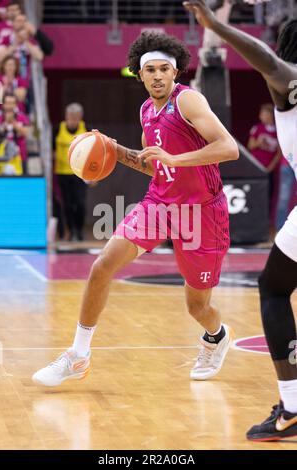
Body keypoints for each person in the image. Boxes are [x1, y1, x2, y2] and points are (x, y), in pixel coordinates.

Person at [32, 31, 239, 387]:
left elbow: (228, 148)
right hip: (160, 202)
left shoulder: (188, 101)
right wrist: (114, 150)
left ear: (175, 73)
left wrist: (175, 157)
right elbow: (154, 165)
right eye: (150, 70)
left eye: (164, 69)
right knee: (102, 265)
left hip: (202, 212)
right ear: (139, 75)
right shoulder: (146, 110)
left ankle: (217, 336)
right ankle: (78, 355)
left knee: (197, 307)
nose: (157, 76)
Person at [183, 0, 297, 441]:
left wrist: (214, 25)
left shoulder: (289, 80)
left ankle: (292, 405)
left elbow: (266, 60)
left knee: (272, 289)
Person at [54, 102, 87, 241]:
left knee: (80, 203)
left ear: (80, 117)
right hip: (63, 173)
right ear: (66, 116)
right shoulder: (58, 129)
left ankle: (79, 230)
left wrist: (94, 176)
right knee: (67, 204)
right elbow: (52, 151)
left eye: (75, 117)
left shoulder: (86, 130)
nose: (72, 120)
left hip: (80, 173)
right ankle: (71, 230)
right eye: (70, 117)